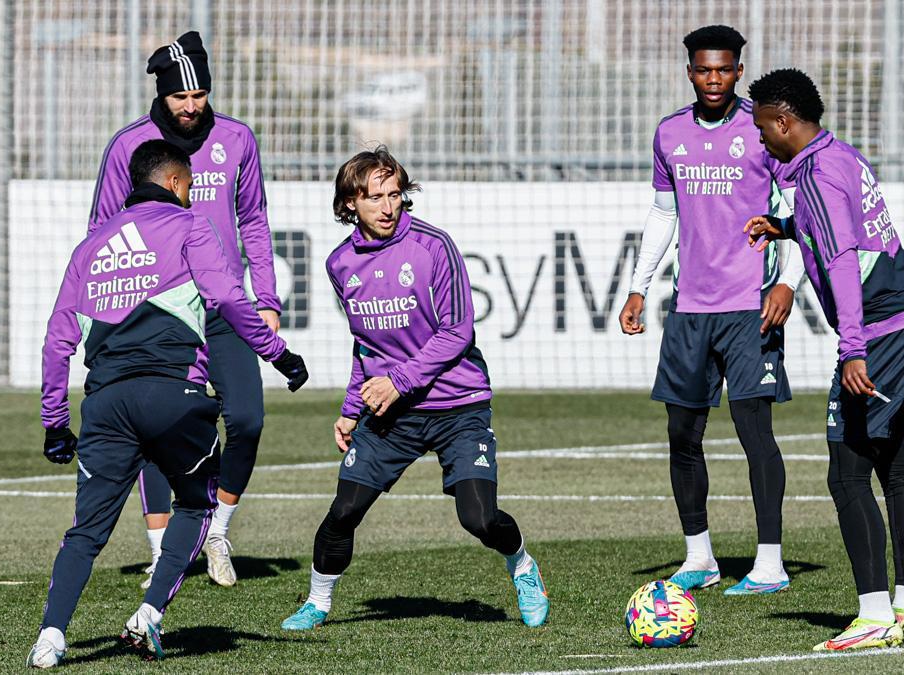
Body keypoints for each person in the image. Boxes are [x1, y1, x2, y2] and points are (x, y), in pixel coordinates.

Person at [27, 140, 307, 668]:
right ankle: (150, 614)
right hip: (173, 394)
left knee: (86, 531)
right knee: (199, 502)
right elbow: (226, 297)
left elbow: (56, 340)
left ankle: (50, 637)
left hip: (105, 402)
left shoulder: (90, 247)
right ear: (179, 184)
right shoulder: (190, 226)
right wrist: (278, 353)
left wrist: (54, 423)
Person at [279, 147, 549, 631]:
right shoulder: (340, 264)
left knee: (480, 520)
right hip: (390, 413)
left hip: (456, 404)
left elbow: (458, 331)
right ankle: (317, 602)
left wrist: (399, 382)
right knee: (343, 511)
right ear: (349, 206)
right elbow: (365, 343)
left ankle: (523, 566)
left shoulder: (433, 246)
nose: (387, 206)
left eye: (395, 194)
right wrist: (349, 408)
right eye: (374, 197)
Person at [745, 68, 904, 651]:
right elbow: (837, 229)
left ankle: (874, 616)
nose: (759, 140)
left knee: (847, 474)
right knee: (897, 471)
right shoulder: (840, 156)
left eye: (762, 129)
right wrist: (784, 228)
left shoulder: (820, 178)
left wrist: (852, 349)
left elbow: (842, 263)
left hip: (881, 336)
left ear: (785, 121)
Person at [88, 32, 280, 588]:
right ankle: (160, 548)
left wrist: (264, 300)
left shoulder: (237, 139)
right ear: (161, 94)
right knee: (157, 423)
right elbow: (102, 232)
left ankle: (216, 531)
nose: (192, 106)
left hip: (223, 306)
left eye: (200, 94)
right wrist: (110, 306)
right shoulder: (130, 147)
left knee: (246, 418)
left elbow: (256, 223)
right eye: (181, 97)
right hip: (157, 313)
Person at [618, 25, 804, 595]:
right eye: (704, 69)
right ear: (690, 71)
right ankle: (699, 557)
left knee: (755, 433)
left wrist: (789, 284)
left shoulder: (763, 129)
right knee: (682, 434)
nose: (714, 79)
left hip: (751, 307)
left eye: (724, 69)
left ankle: (769, 563)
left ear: (739, 71)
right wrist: (638, 286)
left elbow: (800, 211)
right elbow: (663, 214)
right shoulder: (669, 133)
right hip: (691, 309)